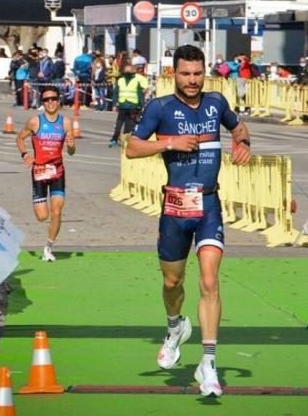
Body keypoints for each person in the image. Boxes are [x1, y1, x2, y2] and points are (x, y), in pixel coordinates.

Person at [125, 45, 252, 398]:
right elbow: (132, 148)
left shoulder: (216, 102)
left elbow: (238, 127)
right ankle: (175, 326)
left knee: (210, 281)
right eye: (186, 74)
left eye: (197, 74)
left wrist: (244, 142)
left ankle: (208, 362)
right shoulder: (160, 108)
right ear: (174, 74)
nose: (192, 80)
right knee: (172, 282)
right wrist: (169, 143)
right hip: (175, 208)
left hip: (209, 204)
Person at [16, 86, 75, 262]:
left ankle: (49, 247)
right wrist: (25, 154)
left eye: (54, 99)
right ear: (43, 103)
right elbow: (19, 138)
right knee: (43, 217)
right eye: (47, 100)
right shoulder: (35, 122)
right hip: (40, 173)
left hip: (57, 172)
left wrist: (71, 145)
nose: (50, 102)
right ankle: (40, 208)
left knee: (57, 211)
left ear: (58, 101)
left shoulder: (65, 123)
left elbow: (71, 152)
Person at [108, 64, 149, 147]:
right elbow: (140, 94)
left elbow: (115, 93)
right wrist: (140, 106)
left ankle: (115, 140)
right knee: (128, 125)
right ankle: (124, 141)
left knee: (120, 124)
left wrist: (114, 104)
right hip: (132, 106)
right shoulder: (136, 80)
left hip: (124, 105)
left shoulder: (120, 80)